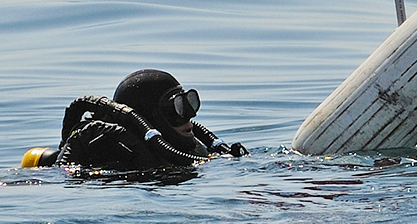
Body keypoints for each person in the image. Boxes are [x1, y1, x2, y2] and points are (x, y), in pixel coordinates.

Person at [21, 69, 247, 171]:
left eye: (187, 104)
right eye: (176, 109)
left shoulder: (195, 149)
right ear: (148, 119)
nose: (189, 118)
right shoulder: (114, 152)